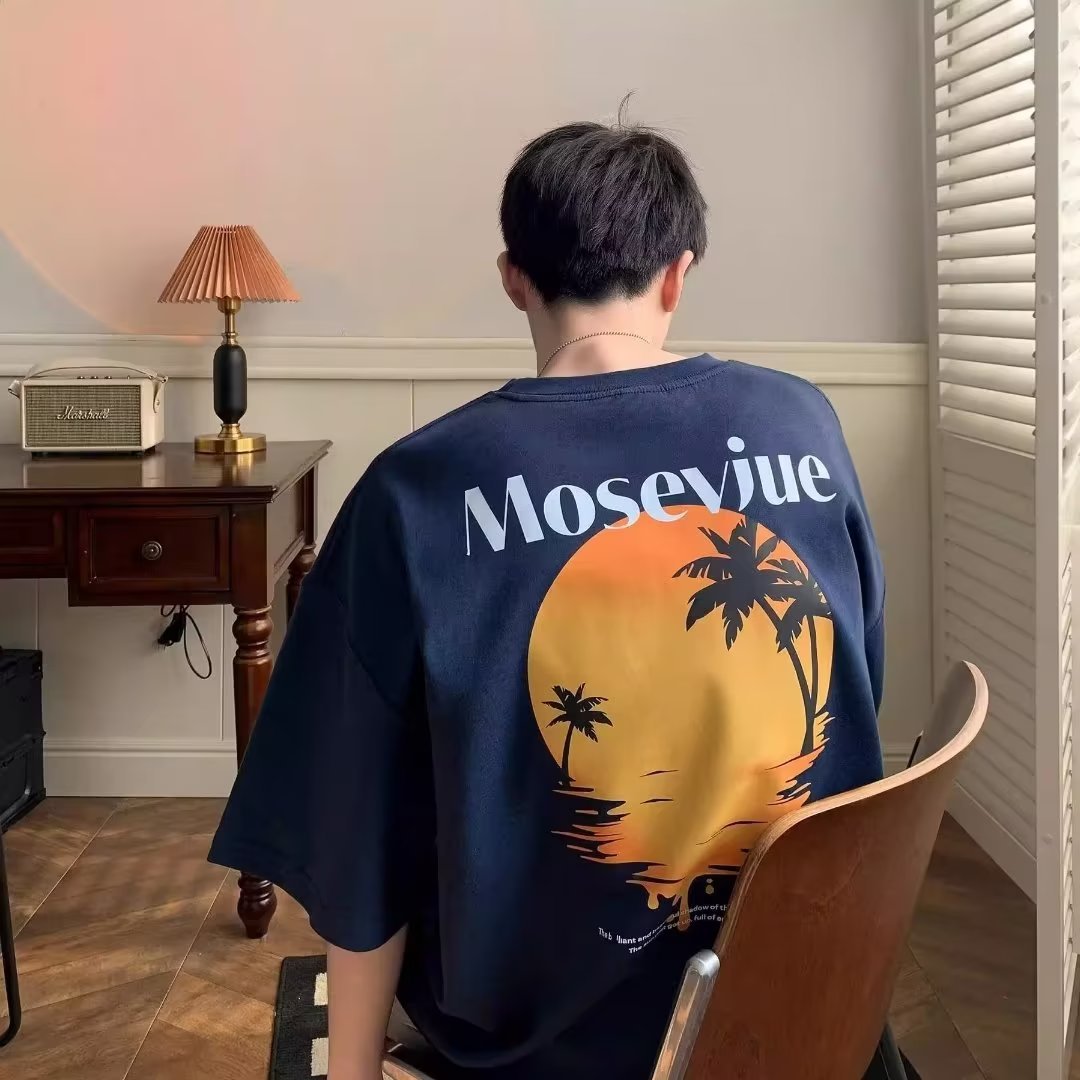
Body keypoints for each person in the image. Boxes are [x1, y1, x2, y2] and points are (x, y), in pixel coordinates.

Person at [209, 115, 886, 1080]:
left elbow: (357, 837)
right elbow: (857, 685)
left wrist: (351, 1070)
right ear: (678, 275)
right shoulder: (801, 423)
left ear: (513, 277)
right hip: (803, 1014)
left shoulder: (419, 488)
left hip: (543, 1050)